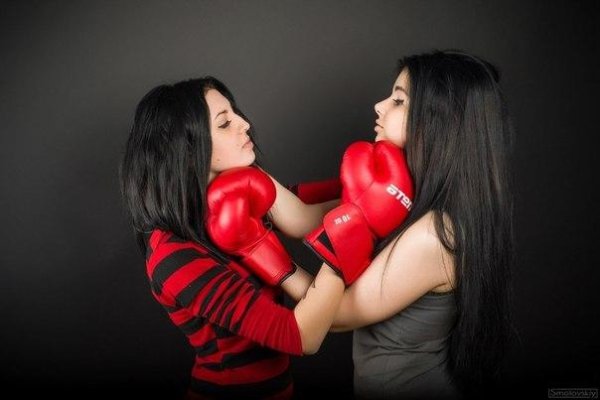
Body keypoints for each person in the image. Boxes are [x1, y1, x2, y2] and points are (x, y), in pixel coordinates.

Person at [119, 76, 414, 399]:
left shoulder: (243, 189)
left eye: (236, 113)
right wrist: (354, 231)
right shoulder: (174, 256)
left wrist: (393, 178)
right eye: (225, 123)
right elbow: (301, 336)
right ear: (187, 149)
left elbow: (305, 215)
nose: (245, 124)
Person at [265, 49, 515, 399]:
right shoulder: (399, 195)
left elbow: (335, 315)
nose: (379, 106)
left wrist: (261, 253)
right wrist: (236, 168)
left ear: (437, 122)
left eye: (398, 101)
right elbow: (300, 218)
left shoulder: (436, 234)